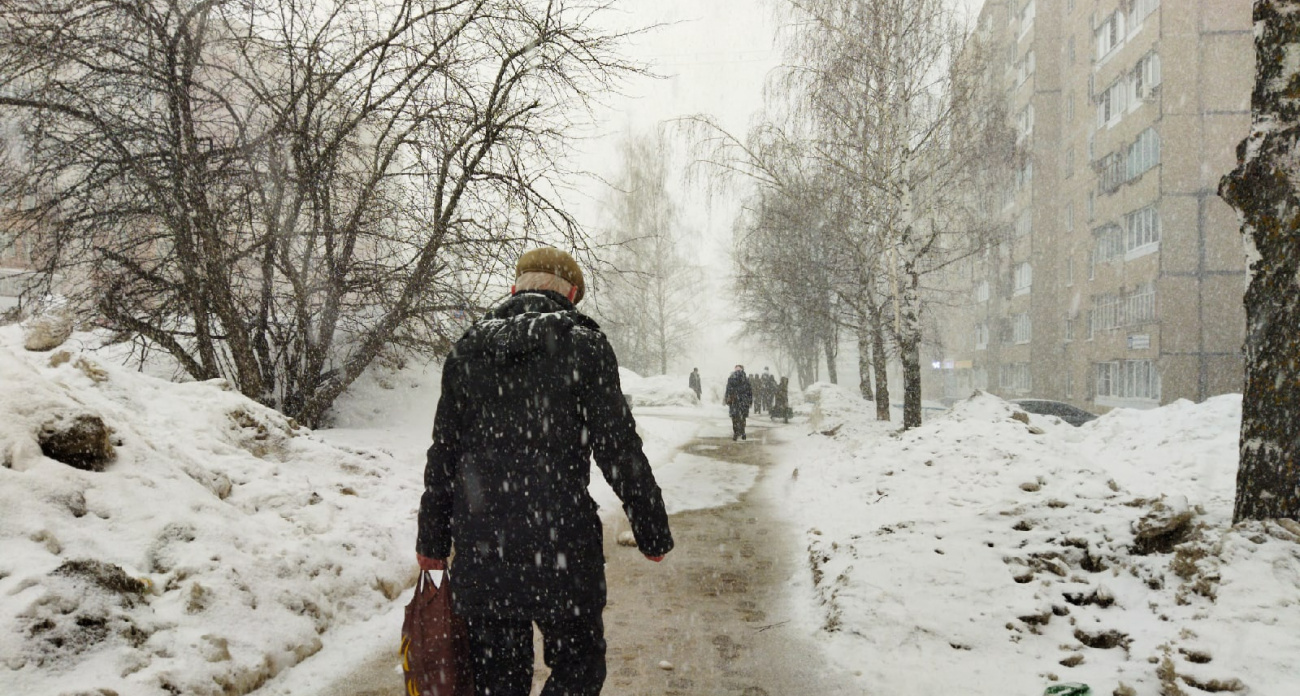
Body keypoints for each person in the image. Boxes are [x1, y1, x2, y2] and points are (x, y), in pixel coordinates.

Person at [416, 247, 674, 696]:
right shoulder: (584, 346)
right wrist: (650, 526)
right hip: (563, 546)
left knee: (497, 681)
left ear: (515, 286)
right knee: (579, 669)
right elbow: (618, 447)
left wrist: (432, 541)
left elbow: (445, 454)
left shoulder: (468, 350)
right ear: (573, 293)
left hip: (483, 548)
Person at [724, 364, 753, 441]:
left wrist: (727, 398)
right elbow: (749, 391)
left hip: (734, 400)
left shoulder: (731, 378)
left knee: (734, 417)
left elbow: (728, 390)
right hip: (744, 400)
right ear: (742, 370)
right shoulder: (746, 379)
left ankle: (736, 433)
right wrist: (750, 401)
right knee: (742, 417)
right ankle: (743, 432)